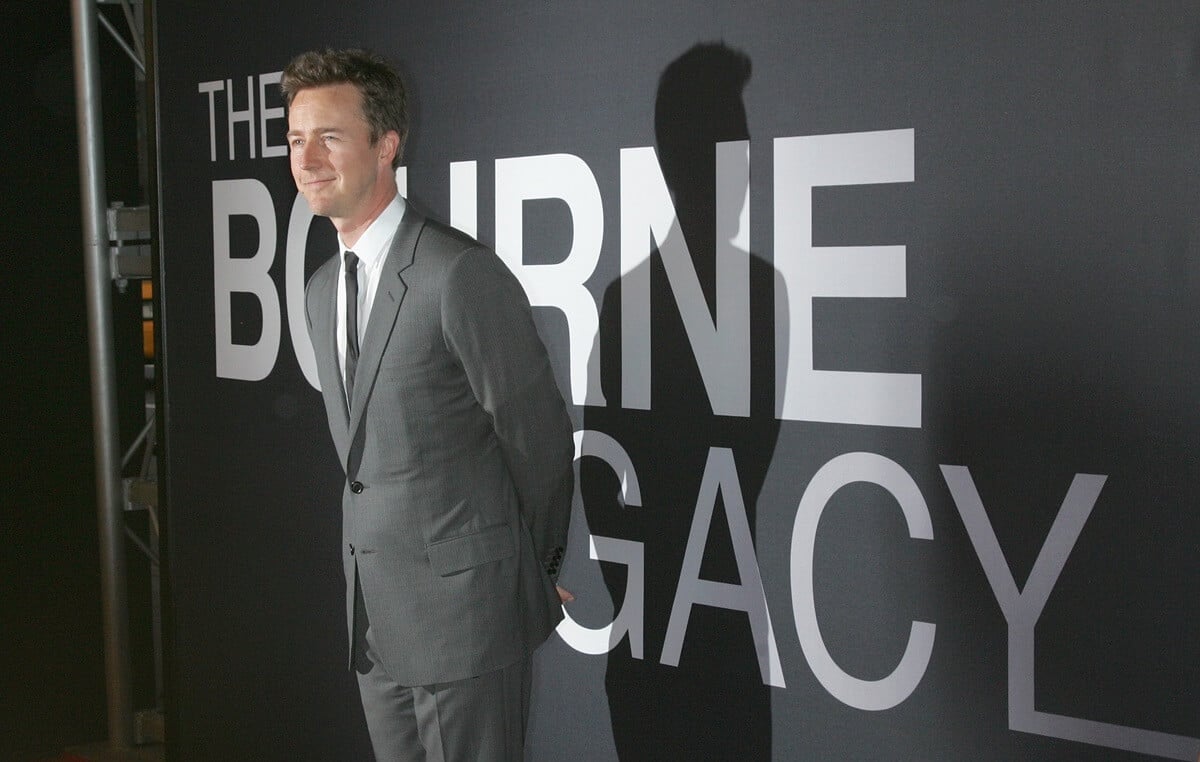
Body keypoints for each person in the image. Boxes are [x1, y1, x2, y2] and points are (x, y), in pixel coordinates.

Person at [282, 48, 574, 761]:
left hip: (468, 621)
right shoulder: (321, 290)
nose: (307, 159)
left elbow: (537, 437)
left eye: (330, 136)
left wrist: (530, 574)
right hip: (375, 623)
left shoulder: (457, 275)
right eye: (295, 139)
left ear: (386, 145)